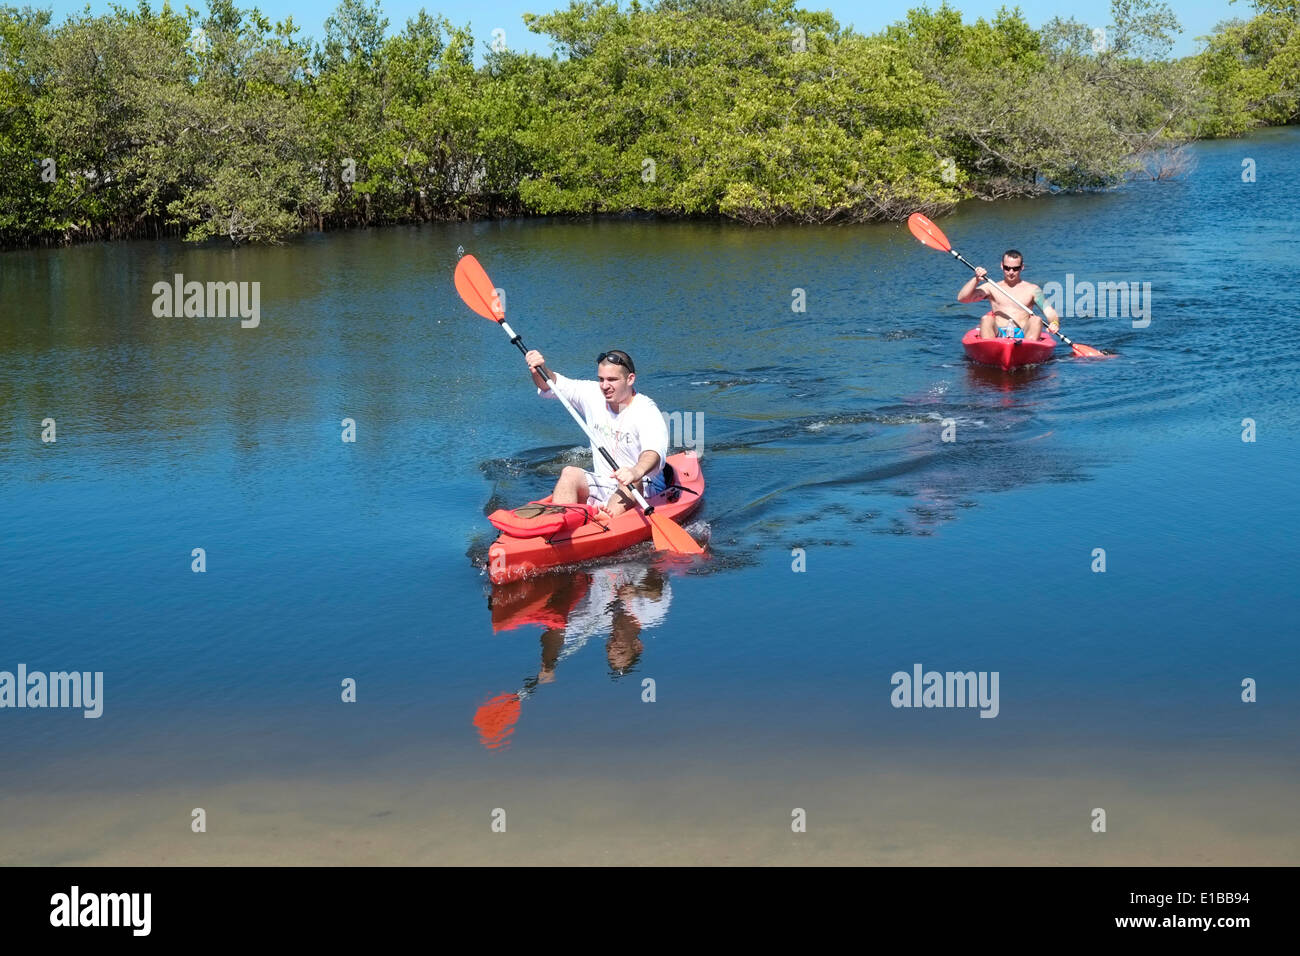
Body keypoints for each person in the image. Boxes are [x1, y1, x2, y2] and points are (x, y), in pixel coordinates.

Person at [524, 348, 669, 518]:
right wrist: (538, 368)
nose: (605, 386)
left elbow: (654, 452)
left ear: (630, 379)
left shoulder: (646, 410)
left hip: (643, 488)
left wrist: (636, 471)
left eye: (612, 380)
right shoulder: (592, 394)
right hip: (605, 484)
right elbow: (550, 383)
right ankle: (560, 523)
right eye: (601, 379)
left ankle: (606, 519)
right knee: (569, 473)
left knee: (631, 479)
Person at [957, 249, 1061, 340]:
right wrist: (976, 279)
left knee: (1036, 320)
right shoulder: (991, 287)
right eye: (1007, 268)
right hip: (998, 333)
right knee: (986, 319)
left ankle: (1029, 355)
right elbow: (962, 298)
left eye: (1015, 268)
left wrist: (1054, 323)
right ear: (1002, 266)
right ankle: (991, 349)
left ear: (1022, 267)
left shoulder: (1033, 289)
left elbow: (1050, 312)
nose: (1011, 272)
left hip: (1024, 334)